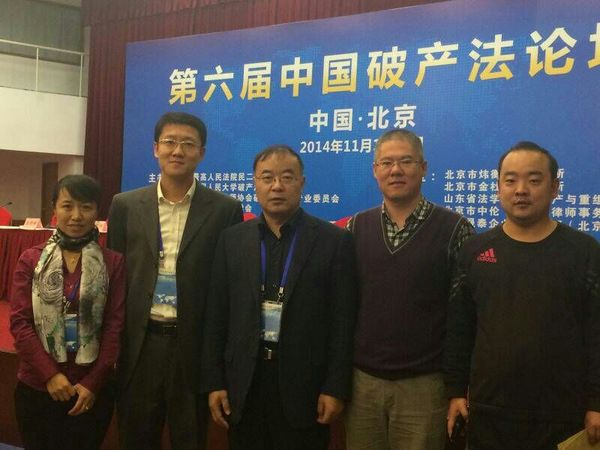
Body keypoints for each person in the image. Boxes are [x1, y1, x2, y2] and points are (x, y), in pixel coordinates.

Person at [445, 141, 600, 450]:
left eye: (534, 180)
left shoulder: (584, 252)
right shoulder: (475, 251)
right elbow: (460, 329)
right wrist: (455, 392)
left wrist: (596, 402)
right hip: (488, 412)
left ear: (554, 187)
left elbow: (597, 332)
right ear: (498, 187)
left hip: (562, 415)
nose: (521, 190)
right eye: (510, 180)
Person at [202, 145, 358, 450]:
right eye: (267, 177)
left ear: (302, 183)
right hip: (244, 385)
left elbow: (343, 321)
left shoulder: (334, 241)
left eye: (287, 177)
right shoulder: (232, 240)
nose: (276, 186)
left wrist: (335, 387)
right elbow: (217, 314)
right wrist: (214, 382)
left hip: (305, 388)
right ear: (255, 183)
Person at [107, 112, 243, 449]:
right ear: (156, 148)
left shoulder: (225, 209)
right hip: (140, 346)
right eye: (170, 142)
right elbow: (115, 276)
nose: (177, 150)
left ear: (201, 153)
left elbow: (228, 285)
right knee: (136, 438)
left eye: (188, 144)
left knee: (190, 438)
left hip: (192, 348)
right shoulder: (125, 205)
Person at [344, 129, 474, 450]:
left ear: (423, 168)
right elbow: (344, 309)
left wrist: (457, 387)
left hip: (425, 387)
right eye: (386, 162)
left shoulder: (456, 230)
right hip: (363, 385)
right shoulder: (355, 228)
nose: (396, 170)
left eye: (406, 161)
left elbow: (464, 316)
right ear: (375, 170)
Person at [10, 174, 125, 449]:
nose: (76, 216)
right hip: (38, 385)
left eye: (86, 207)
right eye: (67, 206)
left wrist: (93, 382)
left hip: (91, 390)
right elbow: (20, 323)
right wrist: (50, 375)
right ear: (54, 209)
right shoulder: (31, 260)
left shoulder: (113, 263)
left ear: (97, 211)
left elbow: (115, 326)